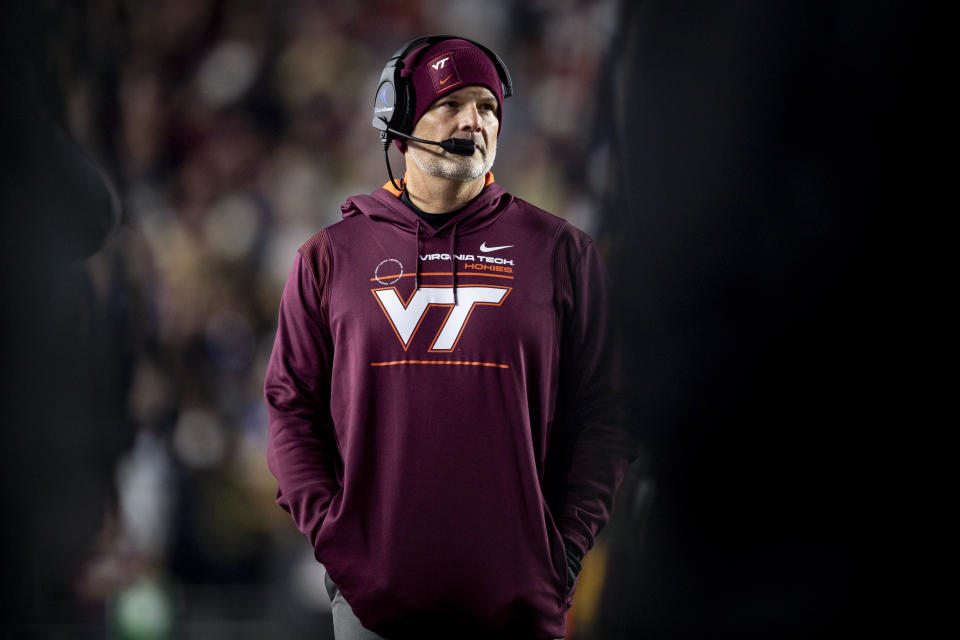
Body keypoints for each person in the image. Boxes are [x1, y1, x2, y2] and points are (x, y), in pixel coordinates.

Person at [264, 35, 639, 640]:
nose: (476, 120)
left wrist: (563, 550)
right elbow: (289, 411)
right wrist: (337, 541)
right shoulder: (329, 259)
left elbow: (609, 413)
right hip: (373, 605)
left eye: (489, 107)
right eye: (453, 103)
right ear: (399, 117)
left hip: (520, 606)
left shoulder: (562, 254)